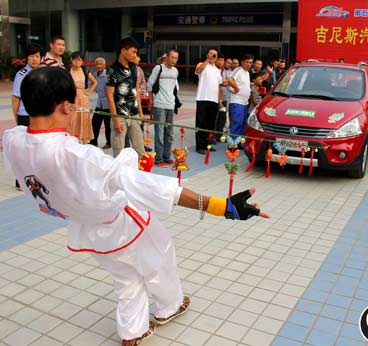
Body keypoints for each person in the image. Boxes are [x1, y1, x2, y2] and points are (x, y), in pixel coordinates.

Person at [2, 67, 269, 346]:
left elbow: (28, 134)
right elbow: (150, 186)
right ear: (65, 106)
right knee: (159, 257)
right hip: (122, 221)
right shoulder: (80, 157)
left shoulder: (14, 140)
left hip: (86, 227)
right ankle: (169, 306)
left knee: (125, 273)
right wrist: (219, 205)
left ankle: (133, 331)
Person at [106, 37, 145, 158]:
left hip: (134, 115)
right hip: (120, 116)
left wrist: (140, 112)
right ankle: (119, 176)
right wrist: (116, 119)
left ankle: (140, 176)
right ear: (123, 51)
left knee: (141, 151)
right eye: (133, 52)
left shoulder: (134, 68)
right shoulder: (112, 70)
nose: (135, 55)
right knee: (119, 152)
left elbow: (135, 91)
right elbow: (109, 96)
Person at [11, 43, 41, 191]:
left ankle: (34, 180)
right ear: (26, 58)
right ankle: (19, 181)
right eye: (32, 56)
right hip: (24, 115)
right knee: (24, 149)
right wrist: (16, 117)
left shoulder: (41, 73)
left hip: (37, 116)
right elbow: (16, 98)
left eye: (37, 56)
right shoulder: (21, 75)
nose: (35, 59)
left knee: (35, 149)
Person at [147, 49, 179, 167]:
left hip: (170, 105)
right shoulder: (158, 68)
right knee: (159, 133)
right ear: (167, 57)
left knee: (169, 133)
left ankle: (167, 156)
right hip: (159, 104)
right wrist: (151, 101)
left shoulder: (175, 71)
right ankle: (159, 158)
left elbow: (175, 87)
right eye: (172, 57)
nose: (174, 60)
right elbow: (149, 84)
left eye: (176, 58)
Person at [194, 48, 222, 154]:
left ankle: (208, 145)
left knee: (211, 124)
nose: (213, 55)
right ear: (207, 55)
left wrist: (219, 101)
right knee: (201, 123)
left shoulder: (217, 70)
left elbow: (219, 86)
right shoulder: (201, 64)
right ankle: (200, 146)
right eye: (211, 53)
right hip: (203, 98)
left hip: (213, 100)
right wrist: (207, 60)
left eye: (215, 54)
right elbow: (198, 71)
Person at [68, 51, 97, 144]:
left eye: (79, 59)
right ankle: (71, 142)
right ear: (71, 60)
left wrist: (88, 92)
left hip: (83, 99)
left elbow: (95, 82)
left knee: (84, 120)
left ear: (82, 61)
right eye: (75, 59)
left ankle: (85, 143)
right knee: (72, 120)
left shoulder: (85, 71)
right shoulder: (67, 71)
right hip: (71, 98)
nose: (77, 61)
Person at [227, 54, 253, 137]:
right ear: (242, 62)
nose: (249, 64)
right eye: (247, 62)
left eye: (251, 62)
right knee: (237, 123)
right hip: (237, 102)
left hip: (244, 102)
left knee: (242, 124)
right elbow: (230, 79)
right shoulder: (238, 70)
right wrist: (237, 88)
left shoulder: (247, 73)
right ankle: (232, 145)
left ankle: (239, 142)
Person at [90, 57, 112, 149]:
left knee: (108, 125)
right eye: (97, 64)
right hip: (98, 103)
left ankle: (109, 142)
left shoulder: (108, 75)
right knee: (95, 123)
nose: (99, 66)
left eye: (101, 64)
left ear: (104, 65)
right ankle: (93, 142)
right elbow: (90, 86)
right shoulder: (94, 75)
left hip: (107, 103)